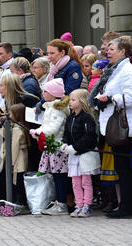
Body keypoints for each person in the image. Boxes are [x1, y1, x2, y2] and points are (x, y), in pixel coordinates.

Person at [89, 37, 132, 219]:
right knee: (121, 167)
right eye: (108, 49)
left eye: (112, 49)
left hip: (124, 126)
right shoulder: (113, 70)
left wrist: (110, 98)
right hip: (113, 125)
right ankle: (127, 206)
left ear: (122, 52)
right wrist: (102, 100)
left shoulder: (128, 70)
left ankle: (128, 208)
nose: (107, 51)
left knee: (124, 168)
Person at [30, 78, 71, 215]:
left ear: (53, 93)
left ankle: (62, 204)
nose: (43, 94)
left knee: (60, 177)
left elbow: (53, 128)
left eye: (46, 91)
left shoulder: (57, 109)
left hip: (57, 147)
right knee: (55, 176)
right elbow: (46, 125)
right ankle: (58, 201)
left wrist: (38, 132)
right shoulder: (50, 107)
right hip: (50, 147)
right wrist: (38, 132)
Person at [61, 89, 101, 218]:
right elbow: (66, 134)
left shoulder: (87, 118)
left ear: (82, 101)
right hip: (74, 154)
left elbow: (90, 137)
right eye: (70, 100)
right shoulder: (70, 118)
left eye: (73, 100)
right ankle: (78, 204)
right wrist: (65, 144)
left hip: (85, 154)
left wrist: (76, 147)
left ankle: (87, 205)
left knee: (86, 181)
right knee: (75, 182)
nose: (70, 102)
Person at [0, 42, 14, 110]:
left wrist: (2, 114)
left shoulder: (12, 71)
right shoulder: (3, 70)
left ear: (10, 55)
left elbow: (8, 97)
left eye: (0, 54)